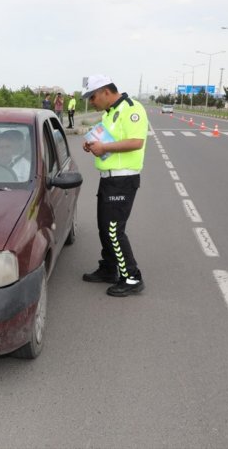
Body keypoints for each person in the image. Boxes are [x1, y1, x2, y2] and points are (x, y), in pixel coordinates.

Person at [80, 75, 148, 297]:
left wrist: (105, 146)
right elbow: (106, 140)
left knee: (113, 230)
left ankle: (132, 277)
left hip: (123, 180)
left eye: (93, 97)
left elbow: (137, 142)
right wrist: (92, 144)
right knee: (104, 227)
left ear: (106, 92)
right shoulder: (109, 114)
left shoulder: (131, 108)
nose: (91, 102)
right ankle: (109, 268)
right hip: (108, 179)